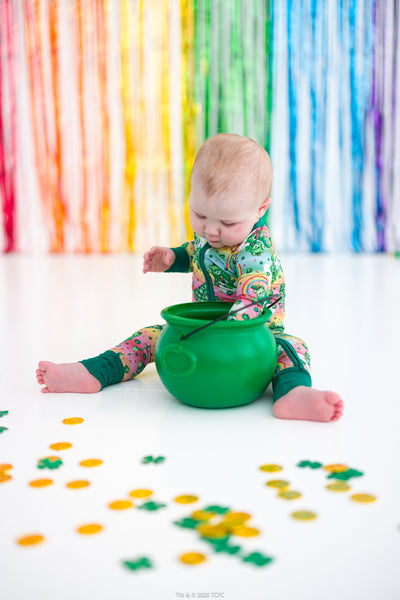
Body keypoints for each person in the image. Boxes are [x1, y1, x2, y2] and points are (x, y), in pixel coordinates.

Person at [36, 133, 343, 422]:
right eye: (199, 214)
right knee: (148, 337)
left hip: (252, 336)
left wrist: (222, 337)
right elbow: (196, 251)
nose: (211, 231)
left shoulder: (255, 251)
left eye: (227, 222)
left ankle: (293, 393)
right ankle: (94, 371)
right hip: (197, 330)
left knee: (292, 348)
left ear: (260, 209)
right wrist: (172, 258)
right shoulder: (214, 238)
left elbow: (253, 297)